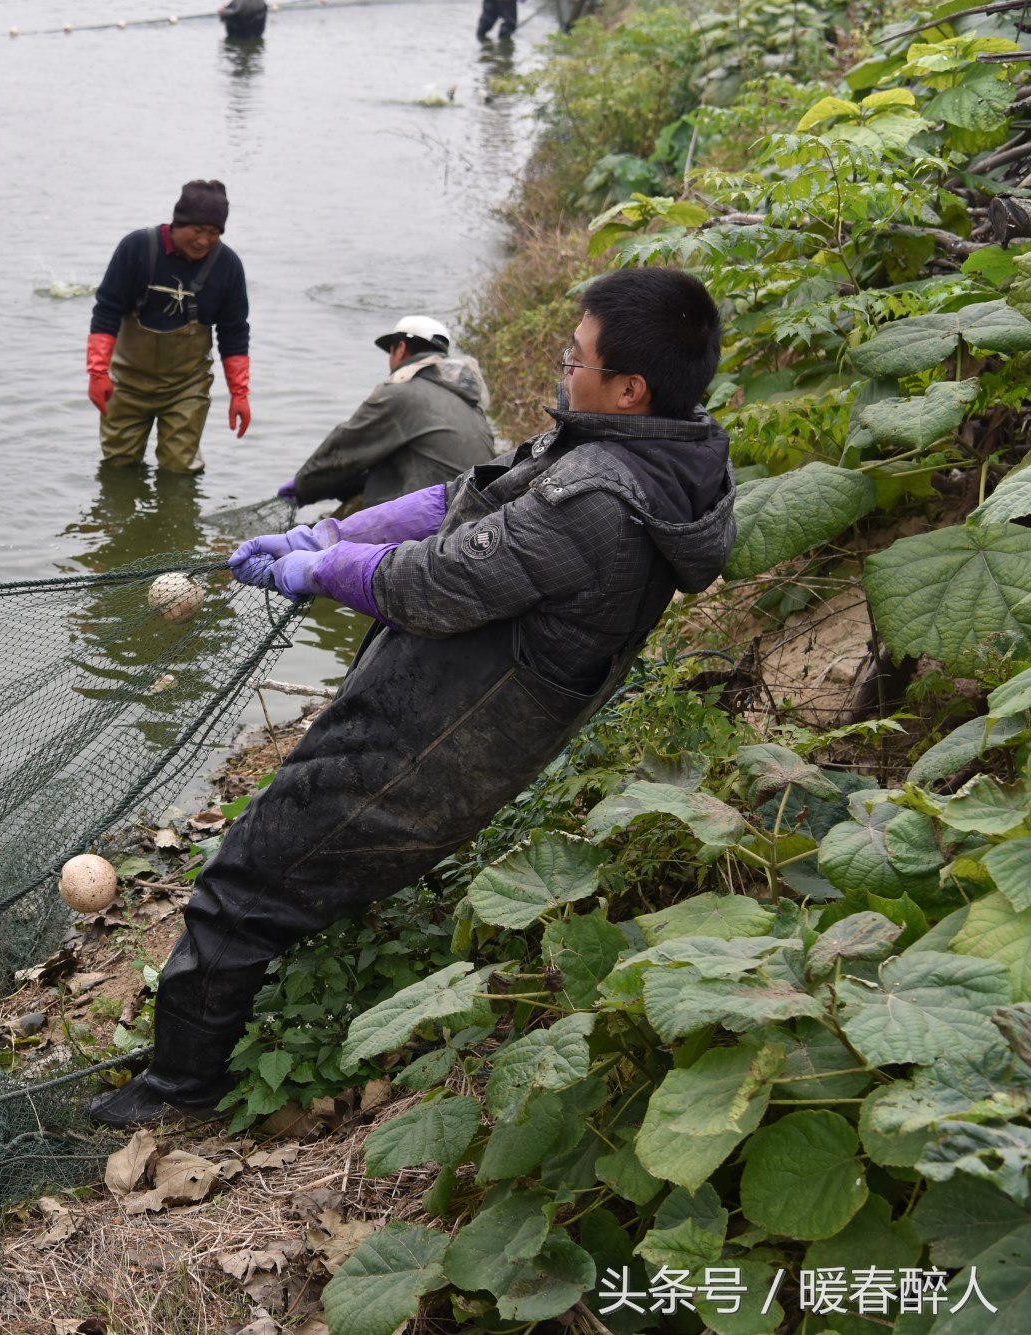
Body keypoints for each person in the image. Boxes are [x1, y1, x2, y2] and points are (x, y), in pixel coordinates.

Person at [86, 267, 736, 1126]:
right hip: (426, 705)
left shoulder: (601, 501)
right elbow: (465, 497)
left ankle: (177, 1095)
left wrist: (318, 569)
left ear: (630, 387)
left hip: (435, 744)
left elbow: (429, 582)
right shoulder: (623, 443)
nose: (560, 367)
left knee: (242, 886)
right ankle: (222, 1037)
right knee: (282, 873)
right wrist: (330, 529)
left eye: (573, 357)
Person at [86, 181, 253, 474]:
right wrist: (98, 373)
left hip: (187, 387)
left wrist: (239, 394)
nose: (203, 241)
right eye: (197, 231)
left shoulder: (228, 266)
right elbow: (107, 310)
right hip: (127, 383)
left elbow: (234, 332)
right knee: (117, 466)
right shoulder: (136, 248)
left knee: (181, 469)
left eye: (213, 233)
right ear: (177, 223)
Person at [280, 315, 498, 516]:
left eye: (391, 351)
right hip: (473, 518)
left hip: (432, 523)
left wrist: (302, 487)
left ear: (401, 349)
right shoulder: (470, 405)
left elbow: (343, 452)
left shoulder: (401, 393)